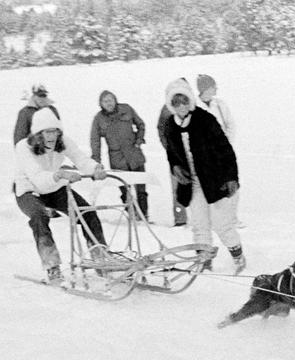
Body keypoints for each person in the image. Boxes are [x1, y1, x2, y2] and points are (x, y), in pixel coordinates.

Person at [13, 108, 108, 284]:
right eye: (47, 132)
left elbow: (81, 159)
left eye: (55, 131)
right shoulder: (23, 147)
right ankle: (52, 266)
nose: (52, 136)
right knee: (39, 216)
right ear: (38, 133)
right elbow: (37, 177)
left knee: (88, 212)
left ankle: (100, 259)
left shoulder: (63, 141)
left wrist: (95, 168)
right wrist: (60, 174)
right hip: (29, 190)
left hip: (55, 188)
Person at [161, 78, 245, 273]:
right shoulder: (170, 126)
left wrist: (231, 177)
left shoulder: (205, 119)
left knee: (222, 223)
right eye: (176, 102)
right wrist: (176, 168)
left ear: (190, 101)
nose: (181, 106)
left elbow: (225, 149)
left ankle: (238, 257)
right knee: (199, 223)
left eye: (184, 101)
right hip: (192, 183)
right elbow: (171, 154)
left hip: (215, 180)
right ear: (171, 104)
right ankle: (204, 261)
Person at [90, 90, 149, 218]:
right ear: (101, 104)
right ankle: (132, 213)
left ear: (115, 100)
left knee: (141, 187)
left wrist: (139, 140)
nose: (109, 103)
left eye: (110, 100)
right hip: (117, 158)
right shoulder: (98, 119)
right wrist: (96, 162)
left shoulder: (126, 109)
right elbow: (95, 141)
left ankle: (144, 215)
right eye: (105, 101)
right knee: (124, 188)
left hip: (134, 154)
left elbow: (141, 125)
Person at [195, 74, 243, 228]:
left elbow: (231, 124)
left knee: (232, 186)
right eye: (213, 86)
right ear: (205, 89)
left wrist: (225, 145)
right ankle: (207, 220)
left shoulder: (220, 104)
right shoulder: (194, 107)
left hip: (223, 154)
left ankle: (231, 218)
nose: (216, 89)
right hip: (205, 156)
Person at [157, 78, 189, 226]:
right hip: (176, 156)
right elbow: (162, 131)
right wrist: (170, 148)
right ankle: (180, 219)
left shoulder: (193, 107)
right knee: (178, 187)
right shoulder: (166, 110)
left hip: (195, 154)